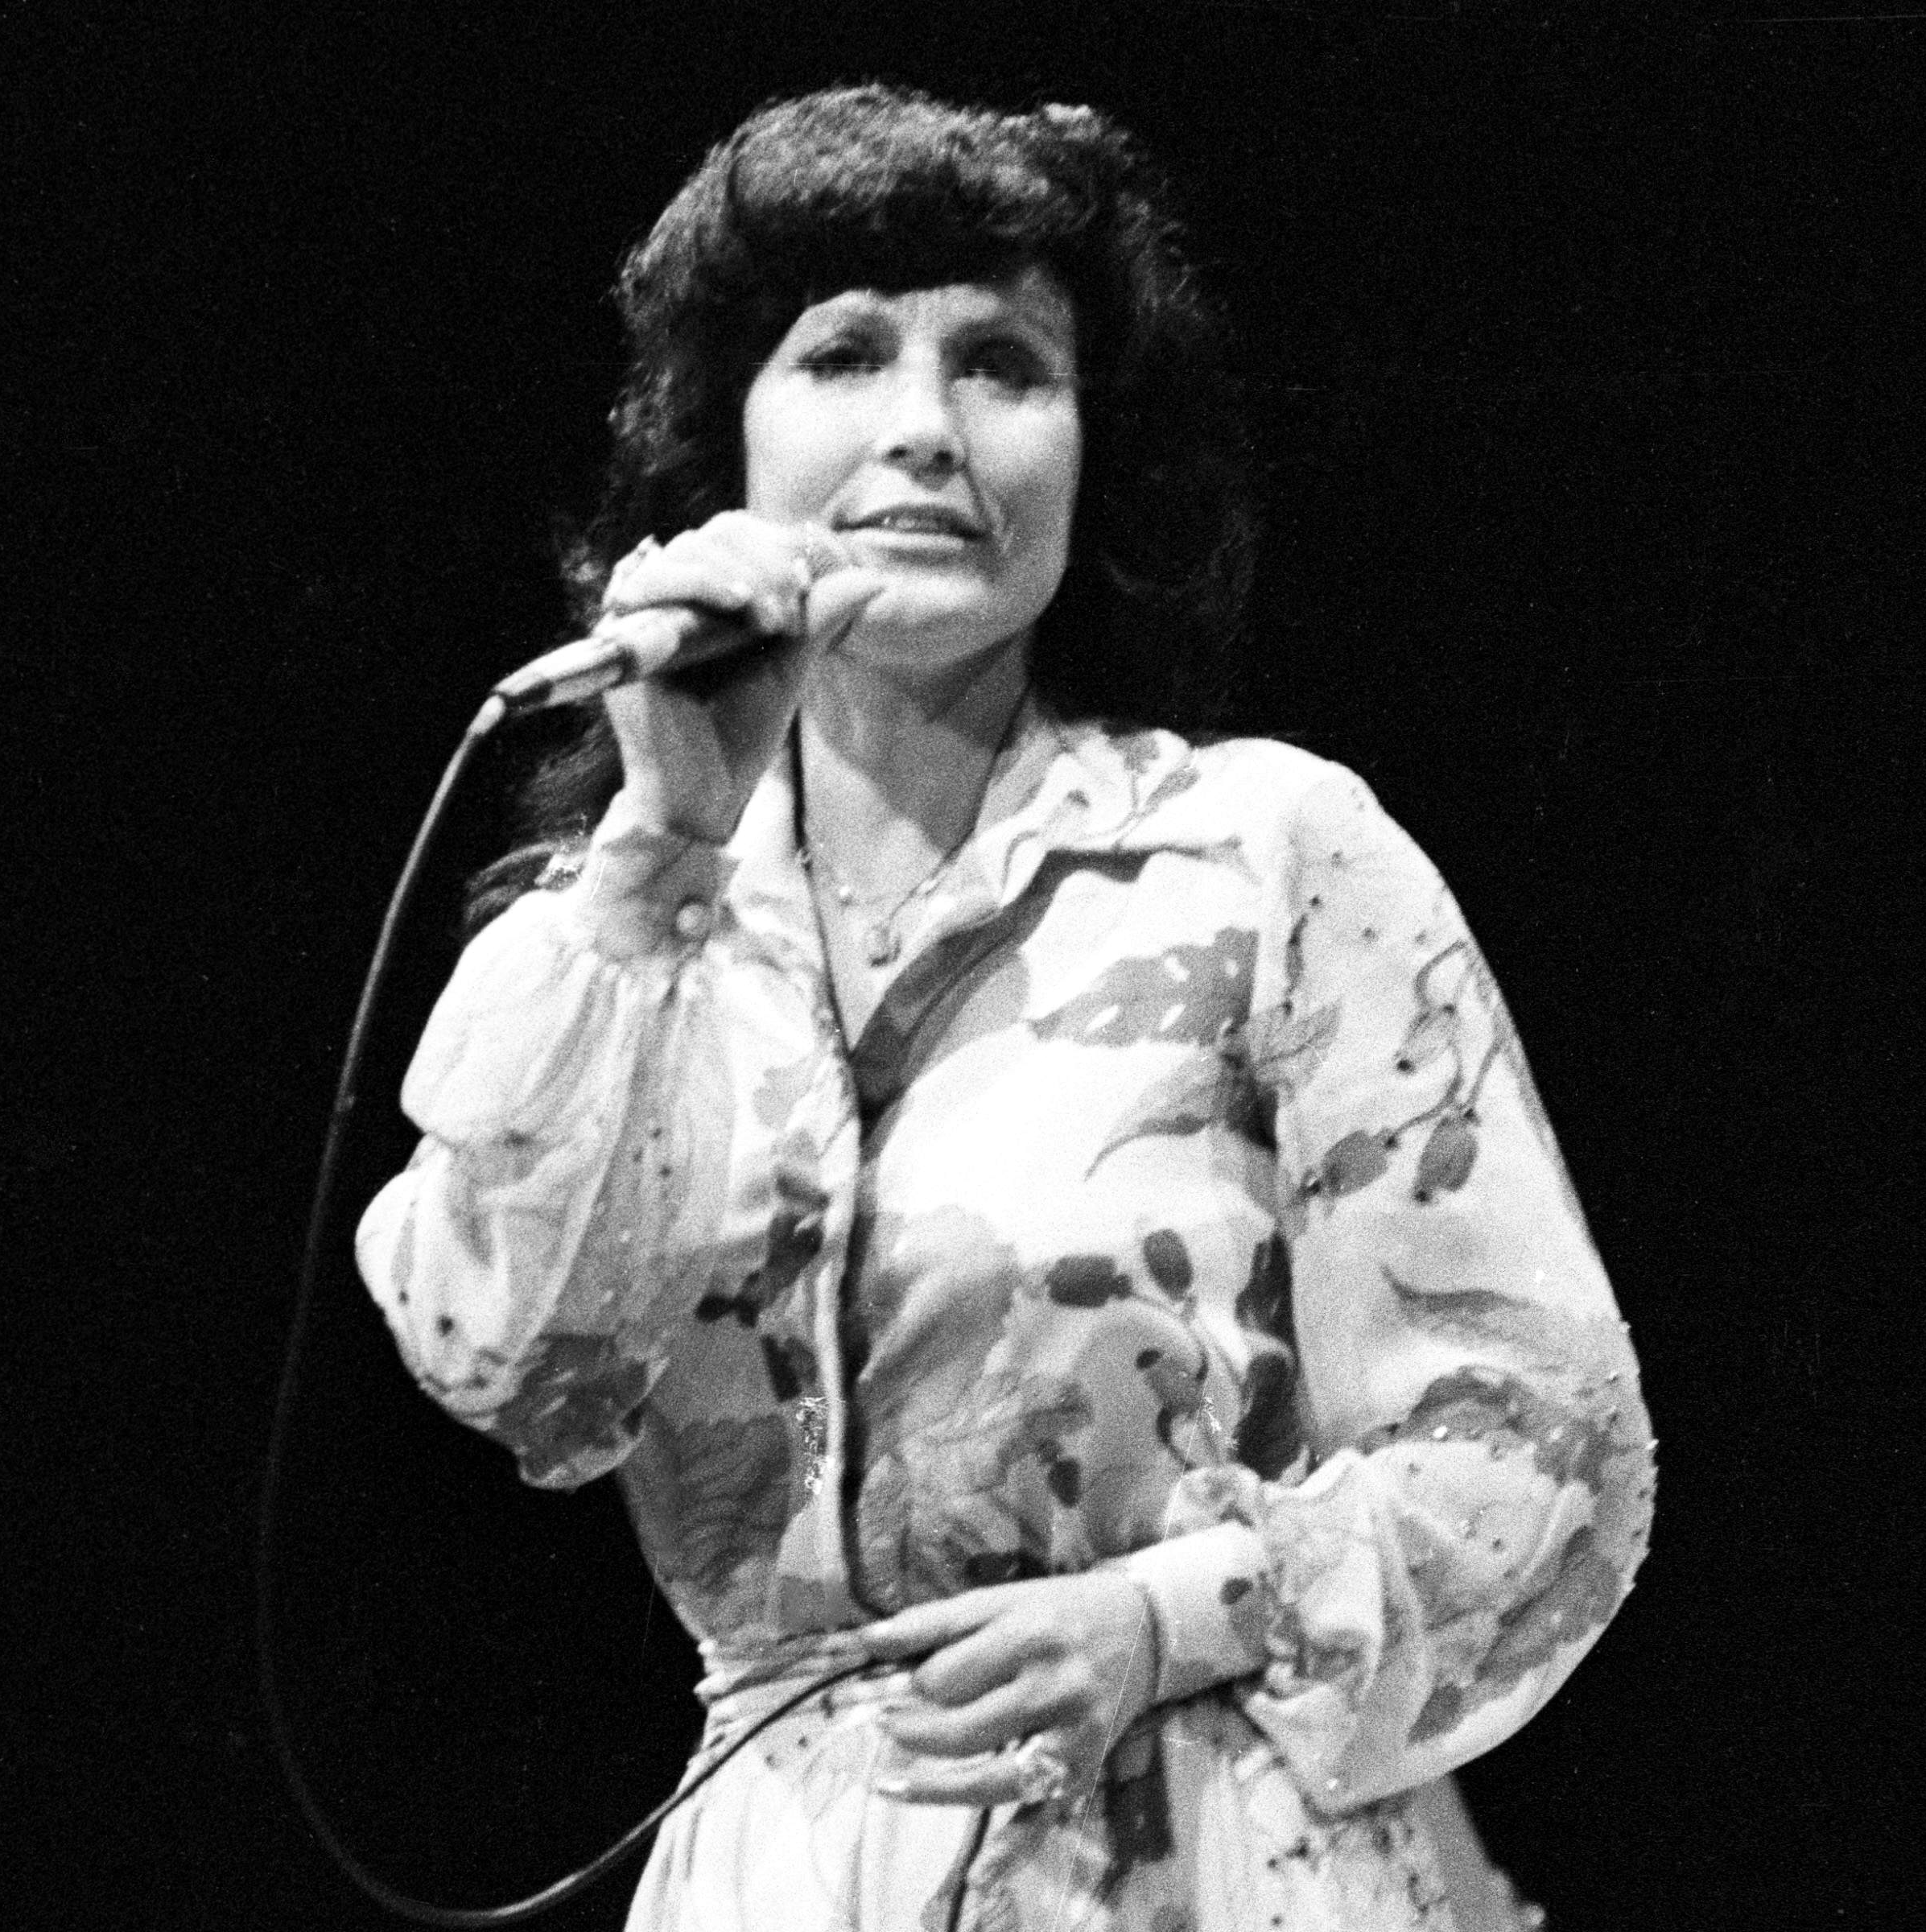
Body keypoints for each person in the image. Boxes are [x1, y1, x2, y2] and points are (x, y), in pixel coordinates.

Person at [357, 83, 1654, 1932]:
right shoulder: (612, 949)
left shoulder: (1266, 852)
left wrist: (1164, 1617)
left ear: (1086, 450)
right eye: (844, 355)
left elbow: (1547, 1443)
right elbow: (521, 1379)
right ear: (724, 441)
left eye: (1002, 365)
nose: (923, 432)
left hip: (1206, 1845)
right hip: (790, 1876)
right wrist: (661, 852)